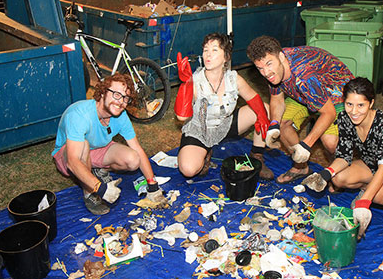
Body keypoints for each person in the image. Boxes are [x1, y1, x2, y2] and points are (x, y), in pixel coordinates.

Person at [305, 77, 383, 238]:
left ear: (371, 103)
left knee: (378, 195)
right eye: (349, 104)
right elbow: (344, 156)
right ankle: (370, 190)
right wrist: (325, 174)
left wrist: (364, 202)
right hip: (371, 164)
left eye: (360, 105)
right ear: (344, 102)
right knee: (339, 178)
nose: (354, 111)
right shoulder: (345, 119)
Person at [246, 35, 355, 184]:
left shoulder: (304, 75)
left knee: (329, 142)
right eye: (260, 68)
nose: (266, 73)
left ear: (282, 57)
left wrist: (306, 145)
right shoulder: (274, 67)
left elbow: (328, 112)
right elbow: (277, 98)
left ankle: (340, 172)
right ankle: (301, 167)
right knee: (283, 125)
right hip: (304, 94)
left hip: (337, 96)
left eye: (269, 64)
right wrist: (274, 124)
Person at [52, 74, 163, 215]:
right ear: (103, 92)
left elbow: (137, 149)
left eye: (125, 98)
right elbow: (73, 162)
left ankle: (95, 169)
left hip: (97, 149)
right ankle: (89, 194)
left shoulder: (121, 116)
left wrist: (152, 184)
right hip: (68, 155)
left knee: (133, 159)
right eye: (116, 95)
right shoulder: (79, 114)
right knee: (84, 145)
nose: (120, 102)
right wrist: (99, 188)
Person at [175, 32, 273, 180]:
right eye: (206, 50)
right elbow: (181, 117)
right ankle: (205, 152)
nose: (208, 54)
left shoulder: (234, 79)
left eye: (214, 50)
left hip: (224, 125)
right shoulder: (195, 81)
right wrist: (186, 85)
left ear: (226, 57)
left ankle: (257, 156)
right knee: (188, 170)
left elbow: (254, 98)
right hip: (200, 130)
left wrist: (262, 117)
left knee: (264, 108)